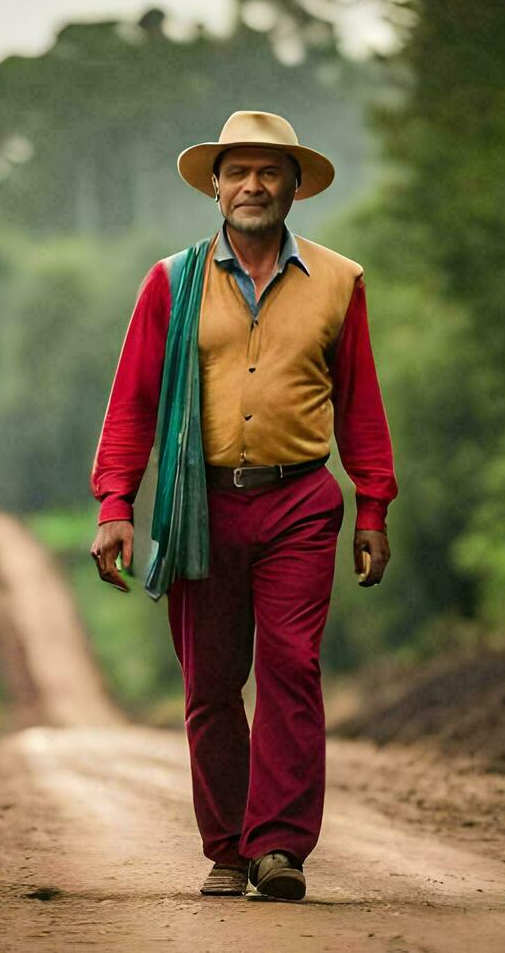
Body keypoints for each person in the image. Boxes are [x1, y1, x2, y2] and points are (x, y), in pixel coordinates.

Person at [87, 110, 398, 901]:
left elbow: (361, 405)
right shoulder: (171, 282)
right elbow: (133, 401)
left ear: (295, 187)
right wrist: (114, 502)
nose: (253, 185)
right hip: (202, 506)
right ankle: (229, 848)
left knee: (293, 667)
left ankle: (280, 848)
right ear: (216, 187)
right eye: (238, 172)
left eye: (269, 171)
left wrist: (372, 507)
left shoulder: (339, 281)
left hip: (300, 501)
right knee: (212, 684)